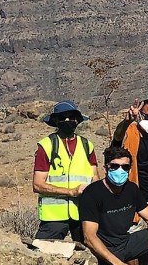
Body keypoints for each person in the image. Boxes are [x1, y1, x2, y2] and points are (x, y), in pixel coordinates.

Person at [32, 100, 100, 242]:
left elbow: (95, 179)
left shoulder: (87, 145)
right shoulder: (46, 145)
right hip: (54, 217)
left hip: (82, 212)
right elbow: (38, 185)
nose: (67, 120)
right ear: (56, 121)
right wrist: (70, 192)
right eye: (63, 117)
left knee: (92, 248)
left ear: (77, 120)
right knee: (41, 250)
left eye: (71, 117)